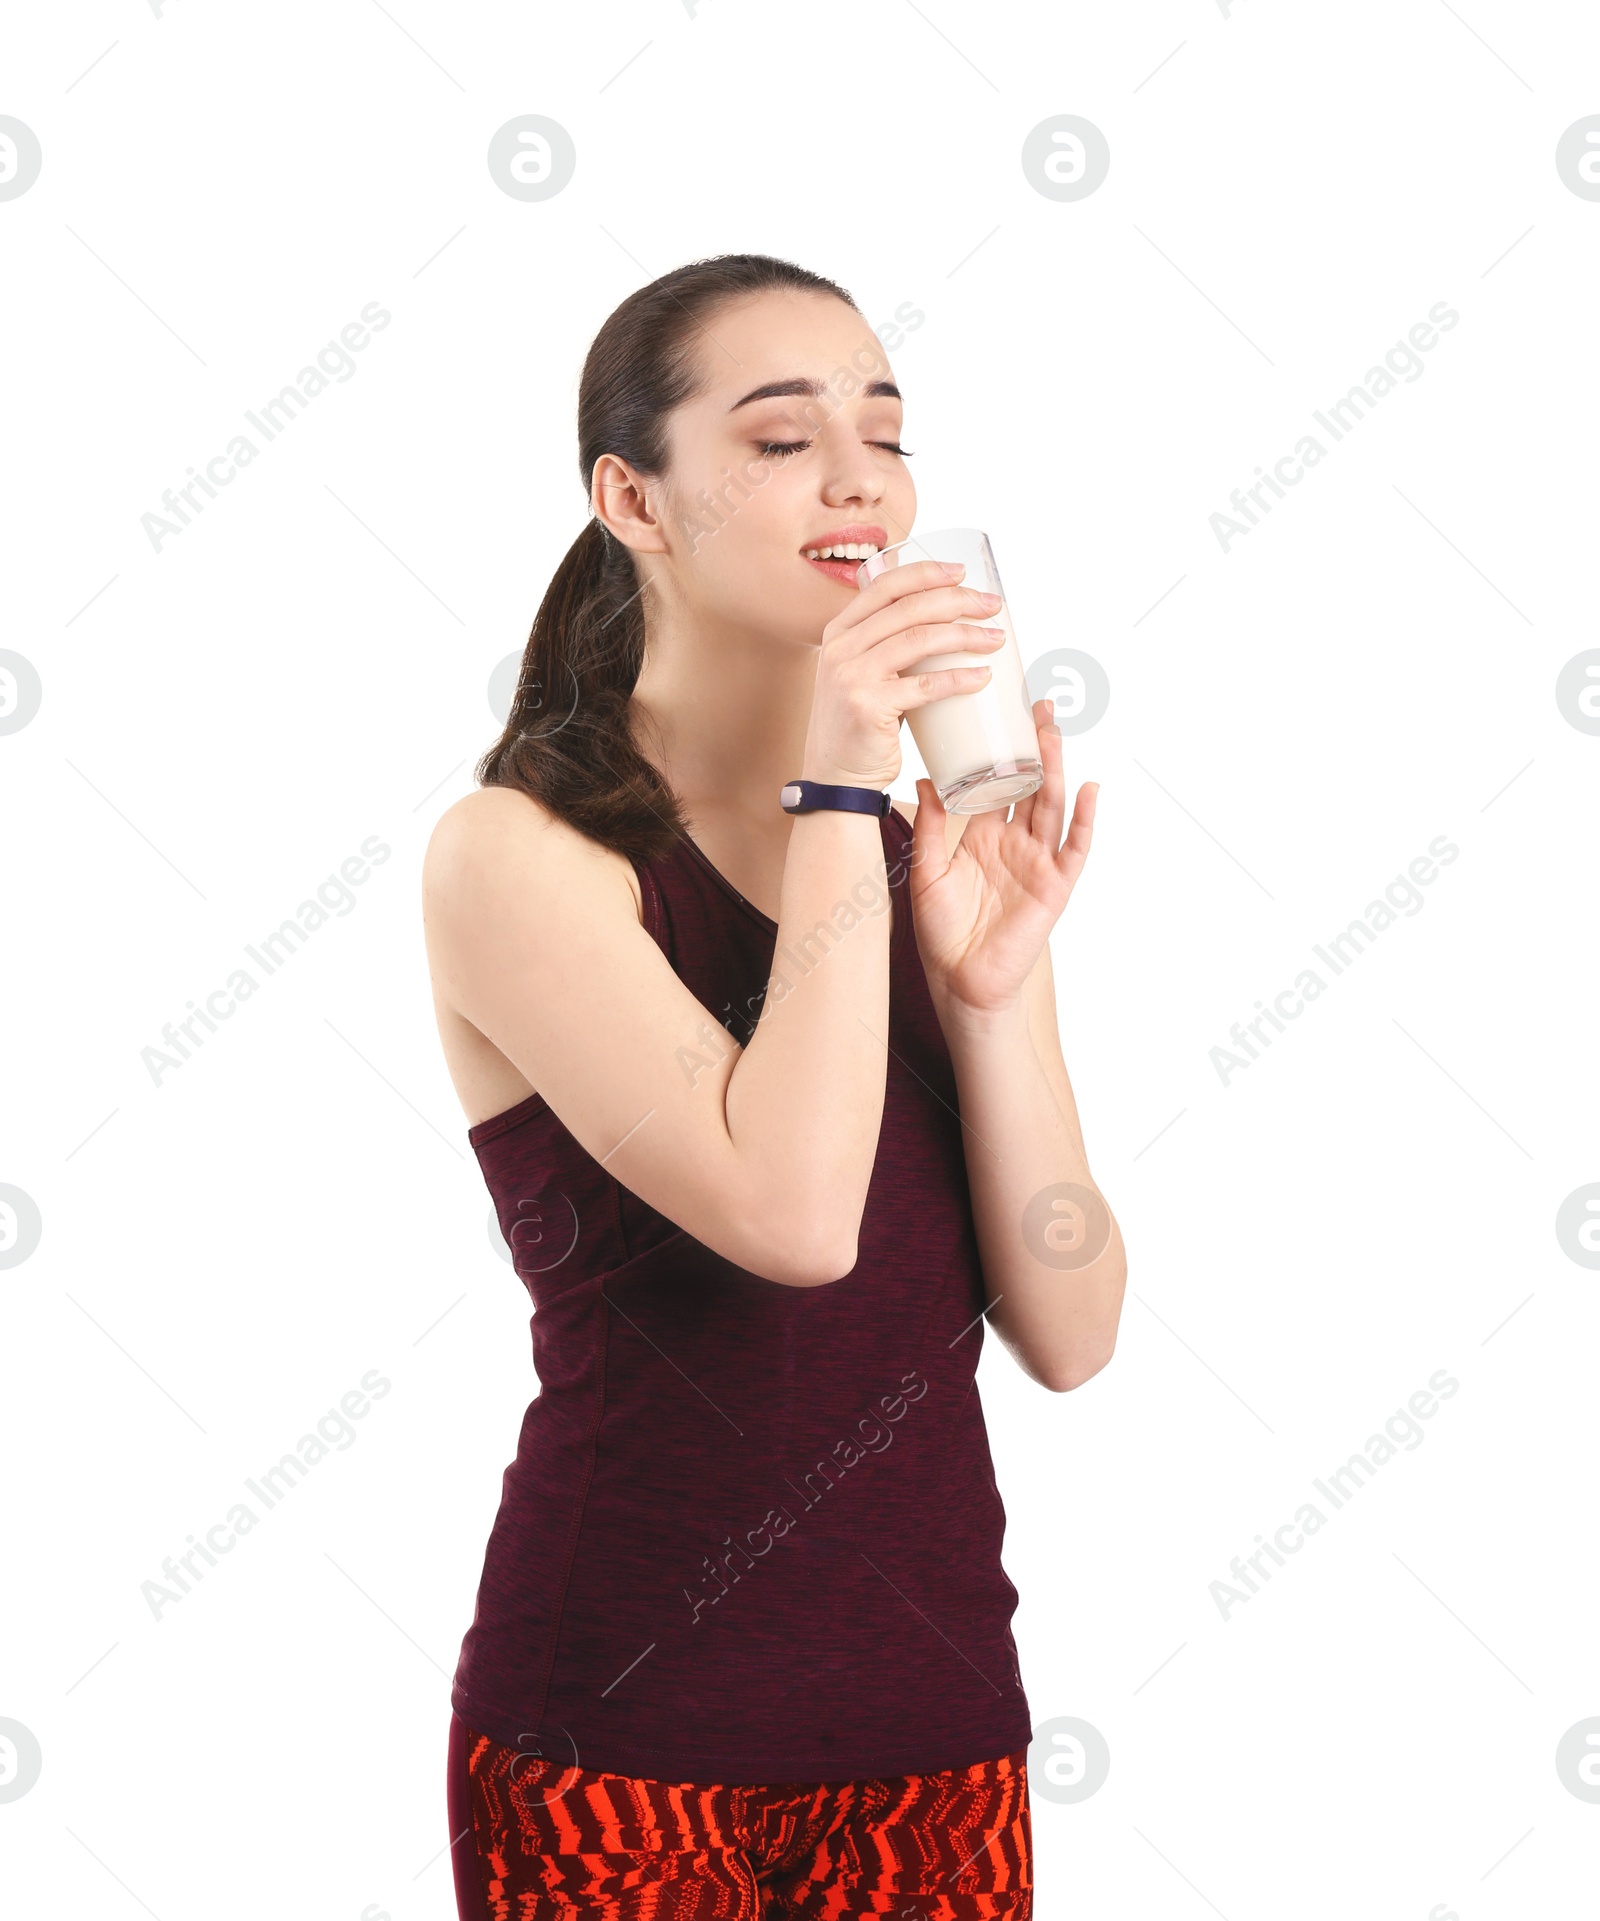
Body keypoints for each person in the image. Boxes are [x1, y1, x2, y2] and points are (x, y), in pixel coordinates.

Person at [421, 253, 1126, 1919]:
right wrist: (835, 783)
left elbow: (1075, 1332)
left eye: (884, 432)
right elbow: (793, 1219)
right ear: (631, 498)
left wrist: (993, 987)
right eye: (782, 436)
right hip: (618, 1744)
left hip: (937, 1737)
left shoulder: (901, 845)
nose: (860, 476)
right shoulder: (520, 857)